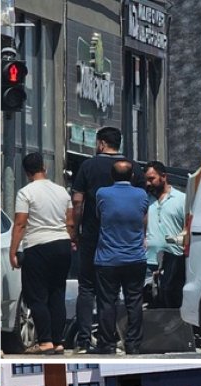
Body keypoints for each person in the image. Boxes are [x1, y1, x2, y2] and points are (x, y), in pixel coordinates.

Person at [70, 127, 145, 352]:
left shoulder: (88, 166)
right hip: (130, 242)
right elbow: (143, 208)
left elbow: (77, 201)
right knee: (133, 297)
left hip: (93, 235)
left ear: (101, 143)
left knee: (89, 288)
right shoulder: (134, 167)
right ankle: (132, 343)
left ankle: (86, 339)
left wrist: (76, 229)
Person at [9, 152, 74, 354]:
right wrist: (71, 240)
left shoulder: (25, 193)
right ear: (44, 167)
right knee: (57, 293)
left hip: (38, 246)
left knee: (37, 296)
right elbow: (70, 221)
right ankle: (59, 341)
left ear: (26, 172)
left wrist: (13, 251)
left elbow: (20, 223)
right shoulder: (62, 191)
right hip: (62, 244)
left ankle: (45, 341)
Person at [91, 159, 150, 355]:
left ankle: (106, 343)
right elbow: (144, 220)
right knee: (134, 301)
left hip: (107, 257)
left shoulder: (102, 193)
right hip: (135, 256)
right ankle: (133, 344)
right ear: (132, 176)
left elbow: (99, 216)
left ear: (112, 176)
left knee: (107, 302)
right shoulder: (141, 194)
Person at [143, 161, 187, 309]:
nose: (148, 183)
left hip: (174, 261)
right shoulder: (145, 201)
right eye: (146, 180)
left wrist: (172, 241)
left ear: (163, 176)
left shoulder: (182, 199)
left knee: (170, 302)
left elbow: (188, 230)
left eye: (152, 179)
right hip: (148, 261)